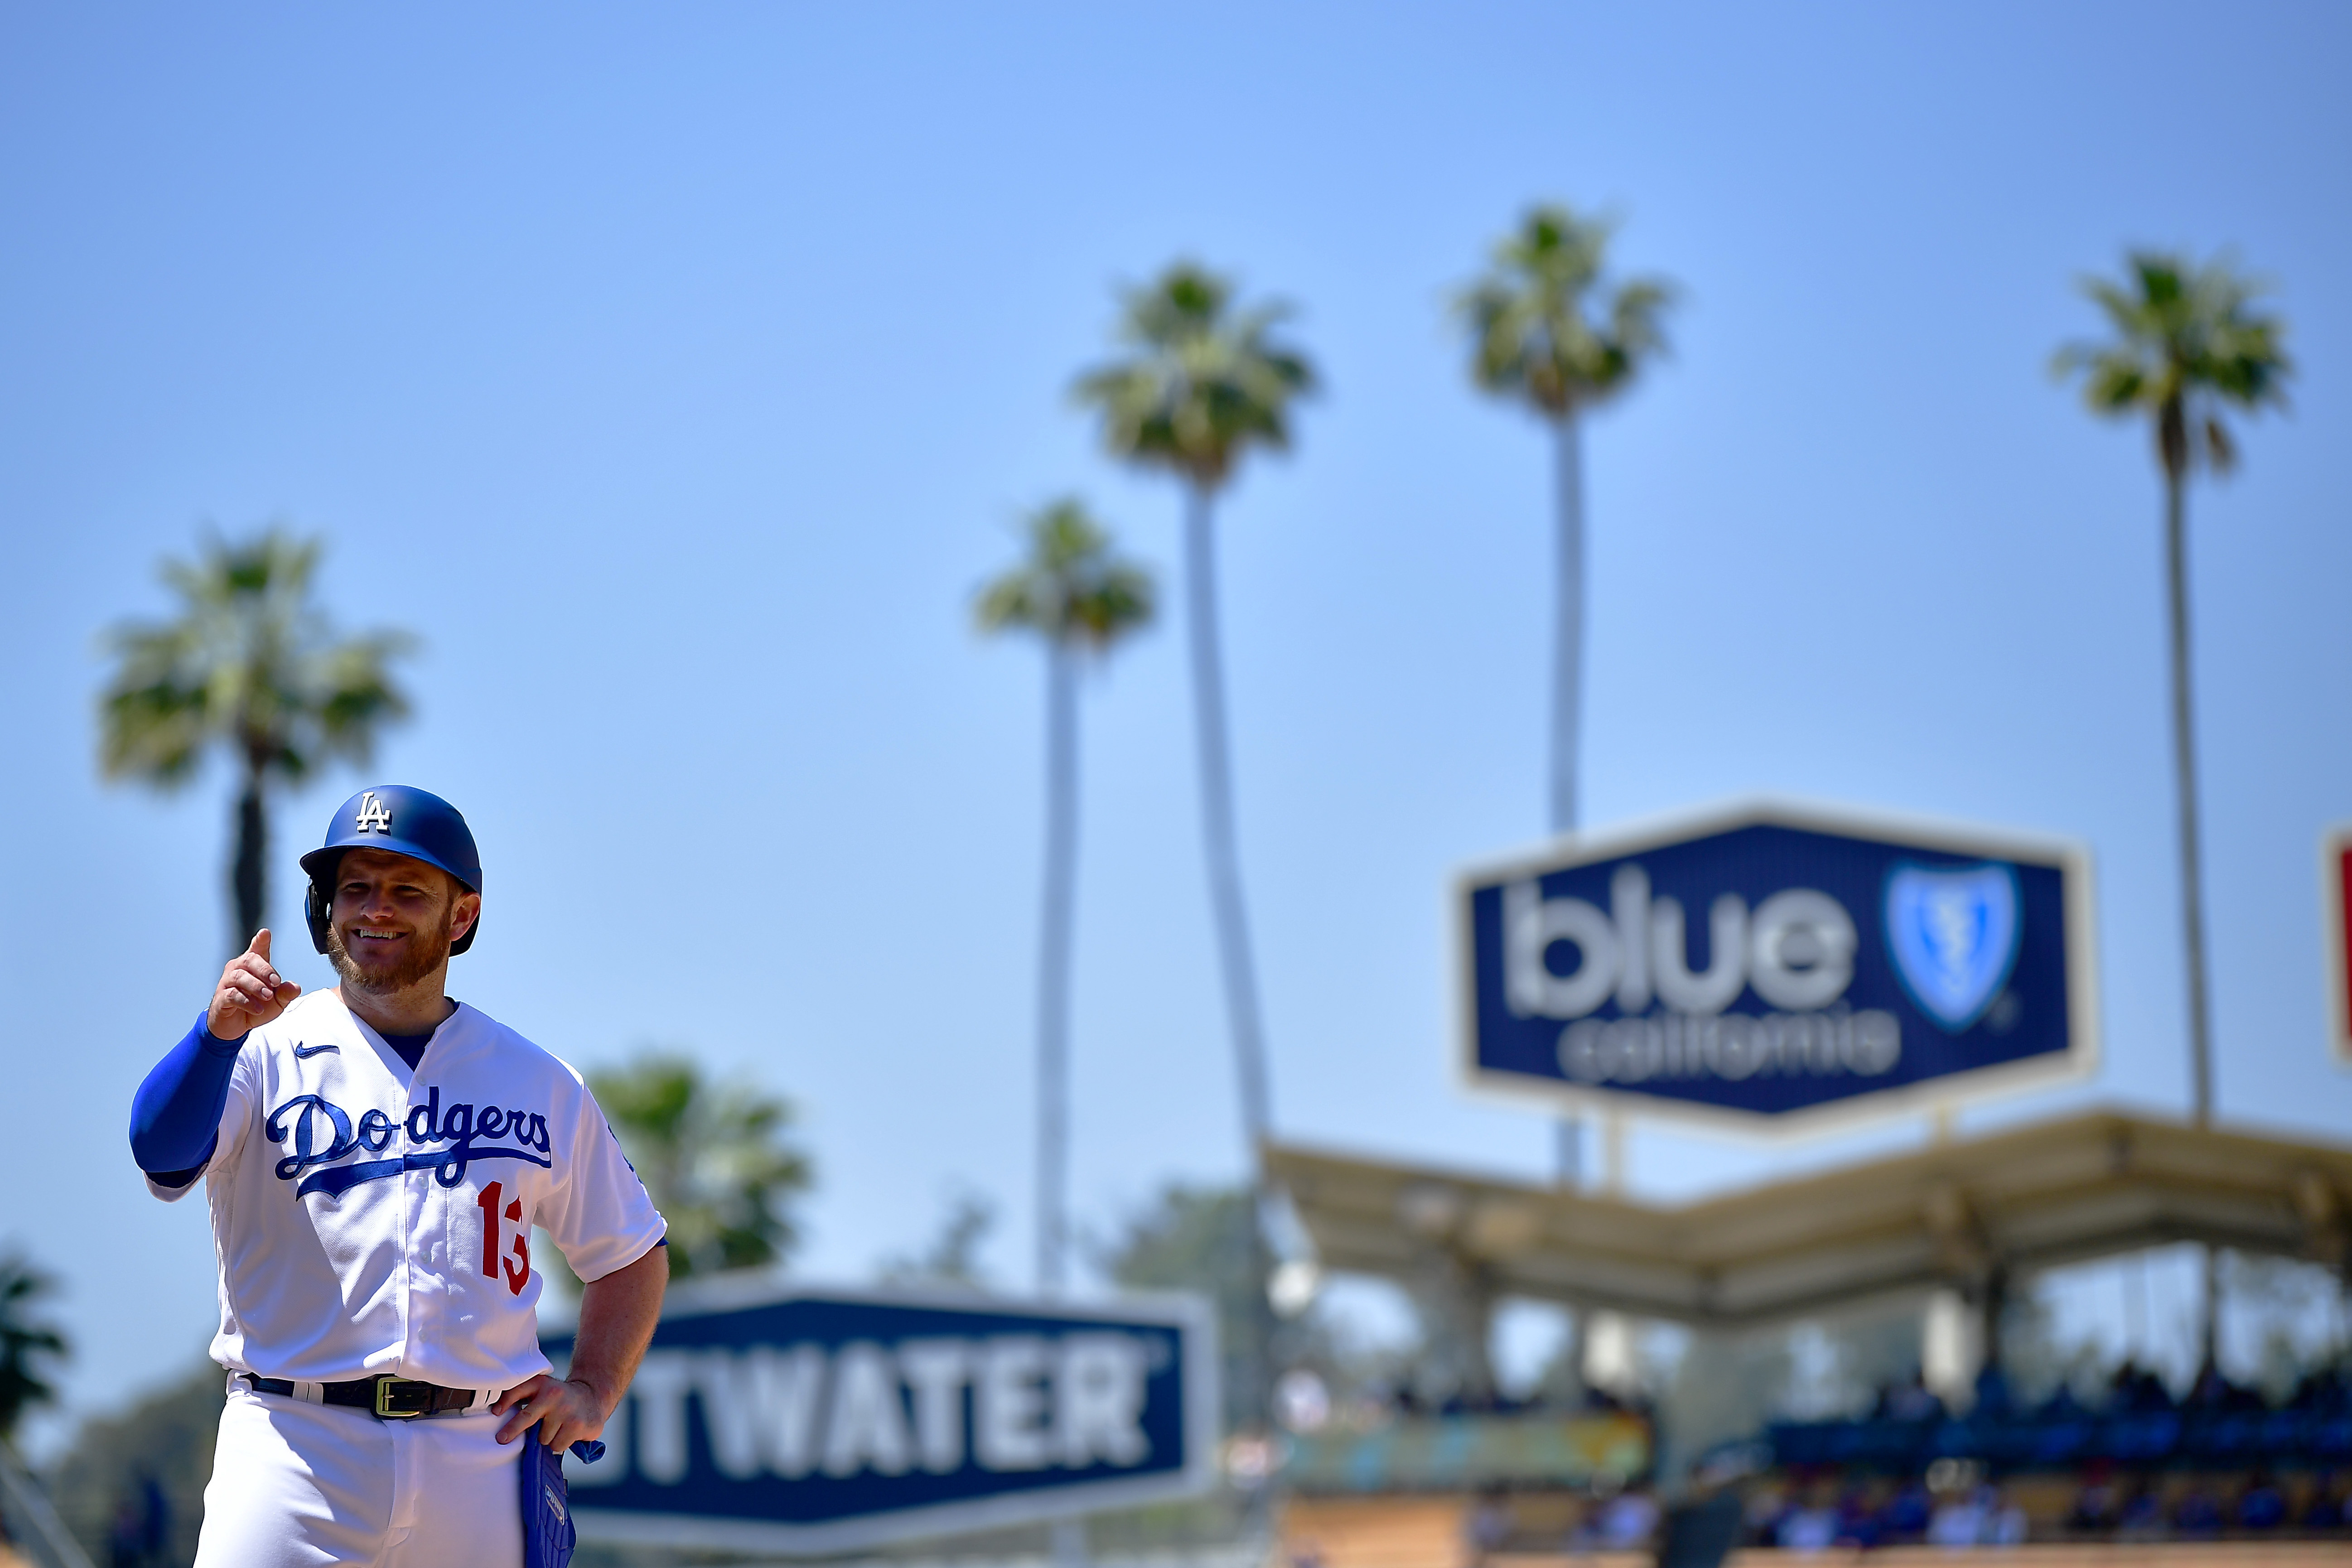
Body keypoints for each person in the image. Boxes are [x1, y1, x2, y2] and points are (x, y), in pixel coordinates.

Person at [127, 786, 670, 1568]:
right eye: (355, 887)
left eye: (406, 889)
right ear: (326, 908)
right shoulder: (264, 1051)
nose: (375, 908)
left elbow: (630, 1252)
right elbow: (161, 1150)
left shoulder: (538, 1079)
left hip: (479, 1456)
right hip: (293, 1446)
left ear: (462, 915)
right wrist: (215, 1037)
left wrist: (591, 1391)